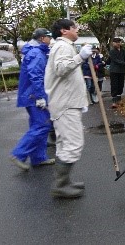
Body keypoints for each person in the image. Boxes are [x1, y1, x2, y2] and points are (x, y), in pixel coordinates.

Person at [45, 19, 92, 198]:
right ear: (64, 31)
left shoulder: (64, 46)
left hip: (68, 102)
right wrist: (81, 57)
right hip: (66, 104)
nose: (77, 29)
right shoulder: (62, 47)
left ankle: (65, 181)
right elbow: (61, 69)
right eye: (74, 27)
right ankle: (61, 184)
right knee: (73, 143)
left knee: (66, 143)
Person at [10, 28, 56, 171]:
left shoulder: (36, 51)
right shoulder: (36, 53)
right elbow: (36, 76)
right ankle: (18, 154)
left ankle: (38, 157)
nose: (51, 40)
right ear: (42, 38)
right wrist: (40, 97)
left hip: (32, 94)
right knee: (42, 125)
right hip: (34, 95)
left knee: (39, 125)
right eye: (49, 37)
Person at [107, 37, 125, 112]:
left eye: (118, 42)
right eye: (115, 42)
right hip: (114, 70)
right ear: (113, 43)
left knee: (121, 85)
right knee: (114, 85)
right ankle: (114, 101)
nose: (117, 43)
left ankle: (119, 99)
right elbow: (115, 60)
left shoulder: (123, 51)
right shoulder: (112, 52)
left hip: (121, 71)